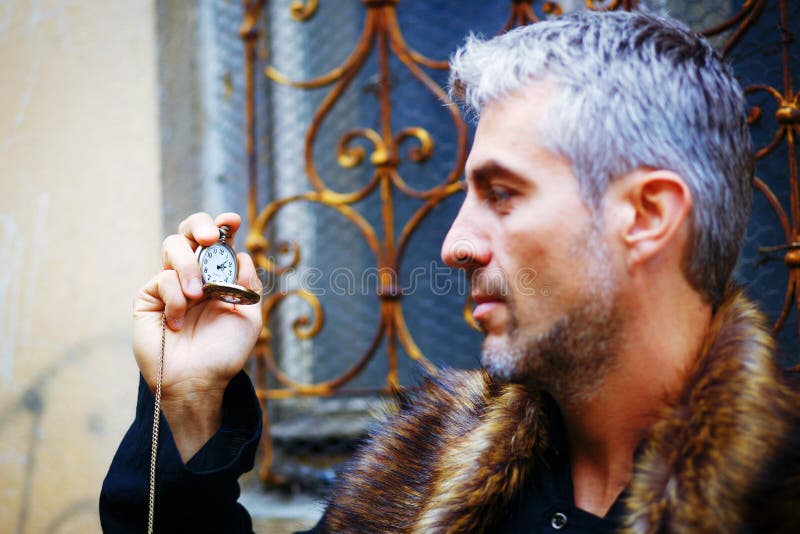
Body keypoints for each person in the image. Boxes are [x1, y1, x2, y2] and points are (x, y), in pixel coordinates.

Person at [101, 9, 800, 533]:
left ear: (646, 216)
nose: (455, 245)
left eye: (502, 194)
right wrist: (189, 404)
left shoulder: (776, 494)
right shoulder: (414, 473)